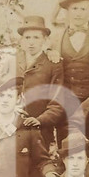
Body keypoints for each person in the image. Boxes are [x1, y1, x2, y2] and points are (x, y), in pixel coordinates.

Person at [14, 14, 65, 151]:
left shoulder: (53, 65)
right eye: (27, 37)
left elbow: (57, 102)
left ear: (44, 39)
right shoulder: (11, 62)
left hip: (41, 131)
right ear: (22, 40)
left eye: (36, 37)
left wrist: (41, 120)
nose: (31, 42)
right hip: (11, 129)